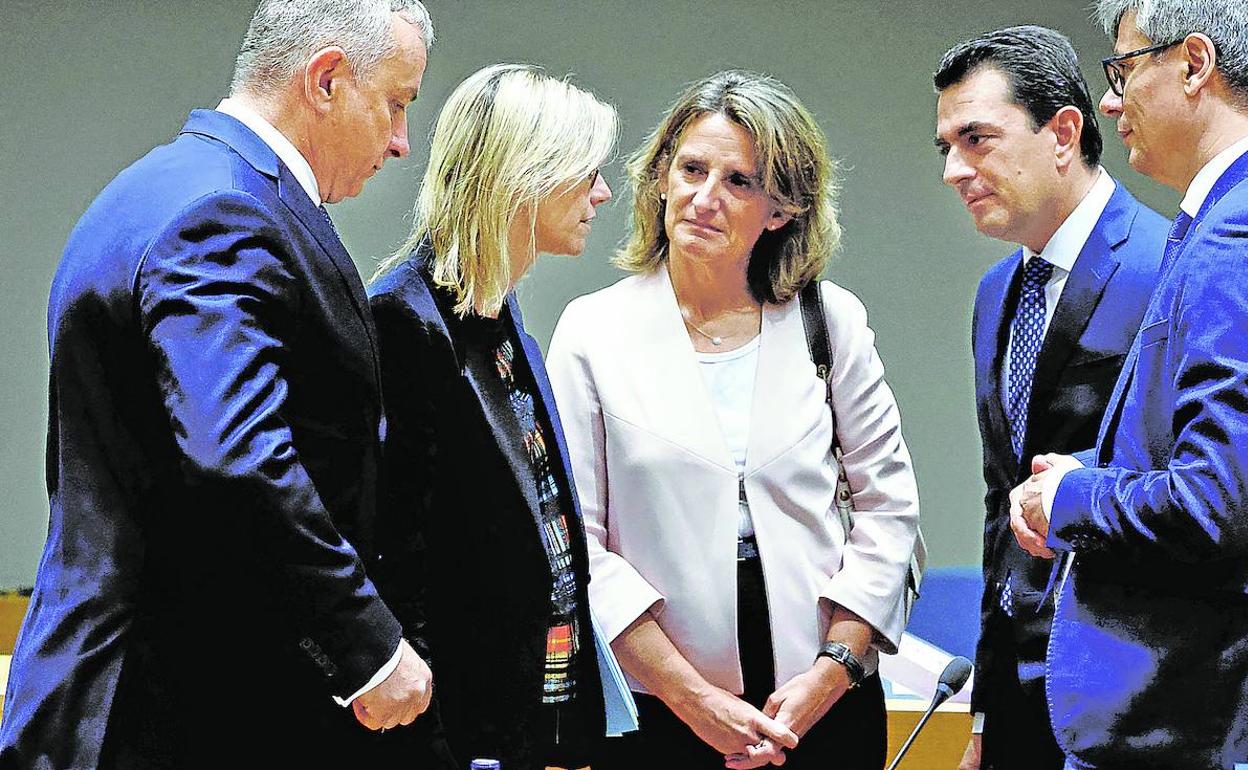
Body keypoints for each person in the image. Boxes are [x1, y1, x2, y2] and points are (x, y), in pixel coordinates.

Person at [0, 2, 435, 767]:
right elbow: (237, 453)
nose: (401, 142)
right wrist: (367, 642)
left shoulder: (159, 183)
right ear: (327, 79)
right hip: (170, 709)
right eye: (396, 103)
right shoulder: (226, 211)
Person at [546, 69, 920, 770]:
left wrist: (832, 672)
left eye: (740, 181)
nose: (704, 198)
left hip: (822, 697)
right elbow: (580, 547)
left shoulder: (828, 321)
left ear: (781, 210)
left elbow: (887, 510)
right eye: (690, 169)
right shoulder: (592, 331)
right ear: (659, 177)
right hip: (659, 702)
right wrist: (691, 699)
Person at [1010, 1, 1248, 767]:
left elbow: (1216, 500)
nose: (1110, 101)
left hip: (1189, 729)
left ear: (1194, 63)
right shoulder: (1215, 221)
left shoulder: (1231, 238)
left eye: (1123, 70)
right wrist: (1093, 472)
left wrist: (1070, 500)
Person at [367, 63, 618, 770]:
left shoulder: (497, 313)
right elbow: (397, 565)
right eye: (585, 170)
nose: (602, 193)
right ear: (526, 174)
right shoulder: (404, 320)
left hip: (526, 717)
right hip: (456, 734)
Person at [932, 25, 1166, 770]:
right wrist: (985, 713)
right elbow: (1002, 502)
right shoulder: (995, 293)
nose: (953, 169)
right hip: (1019, 696)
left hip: (1133, 699)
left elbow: (1196, 485)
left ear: (1063, 131)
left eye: (977, 139)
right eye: (946, 146)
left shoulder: (1170, 267)